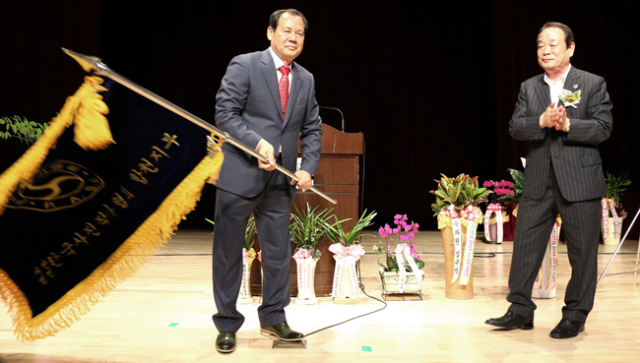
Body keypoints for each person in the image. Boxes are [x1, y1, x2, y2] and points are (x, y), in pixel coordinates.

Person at [485, 22, 613, 339]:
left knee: (582, 253)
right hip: (539, 179)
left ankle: (575, 315)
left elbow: (602, 128)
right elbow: (516, 127)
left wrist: (569, 124)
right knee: (525, 246)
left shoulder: (592, 83)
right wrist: (539, 122)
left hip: (579, 180)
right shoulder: (530, 87)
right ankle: (519, 310)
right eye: (541, 44)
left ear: (570, 48)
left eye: (553, 44)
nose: (546, 50)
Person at [211, 9, 322, 353]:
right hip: (239, 175)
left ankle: (274, 318)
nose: (293, 37)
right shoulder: (244, 65)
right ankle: (227, 324)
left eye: (299, 33)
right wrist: (256, 143)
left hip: (280, 182)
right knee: (229, 254)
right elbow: (225, 114)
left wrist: (308, 168)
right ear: (270, 33)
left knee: (277, 254)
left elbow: (313, 128)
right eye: (287, 30)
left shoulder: (305, 78)